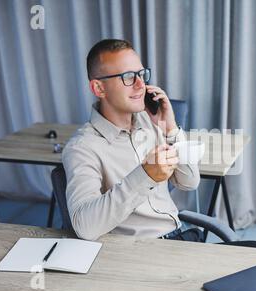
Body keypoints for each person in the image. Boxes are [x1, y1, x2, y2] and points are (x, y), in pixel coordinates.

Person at [62, 39, 203, 242]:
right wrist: (145, 175)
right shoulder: (82, 148)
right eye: (127, 77)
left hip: (180, 236)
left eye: (141, 74)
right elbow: (84, 226)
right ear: (99, 88)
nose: (140, 85)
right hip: (141, 251)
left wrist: (170, 128)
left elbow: (189, 182)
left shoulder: (149, 122)